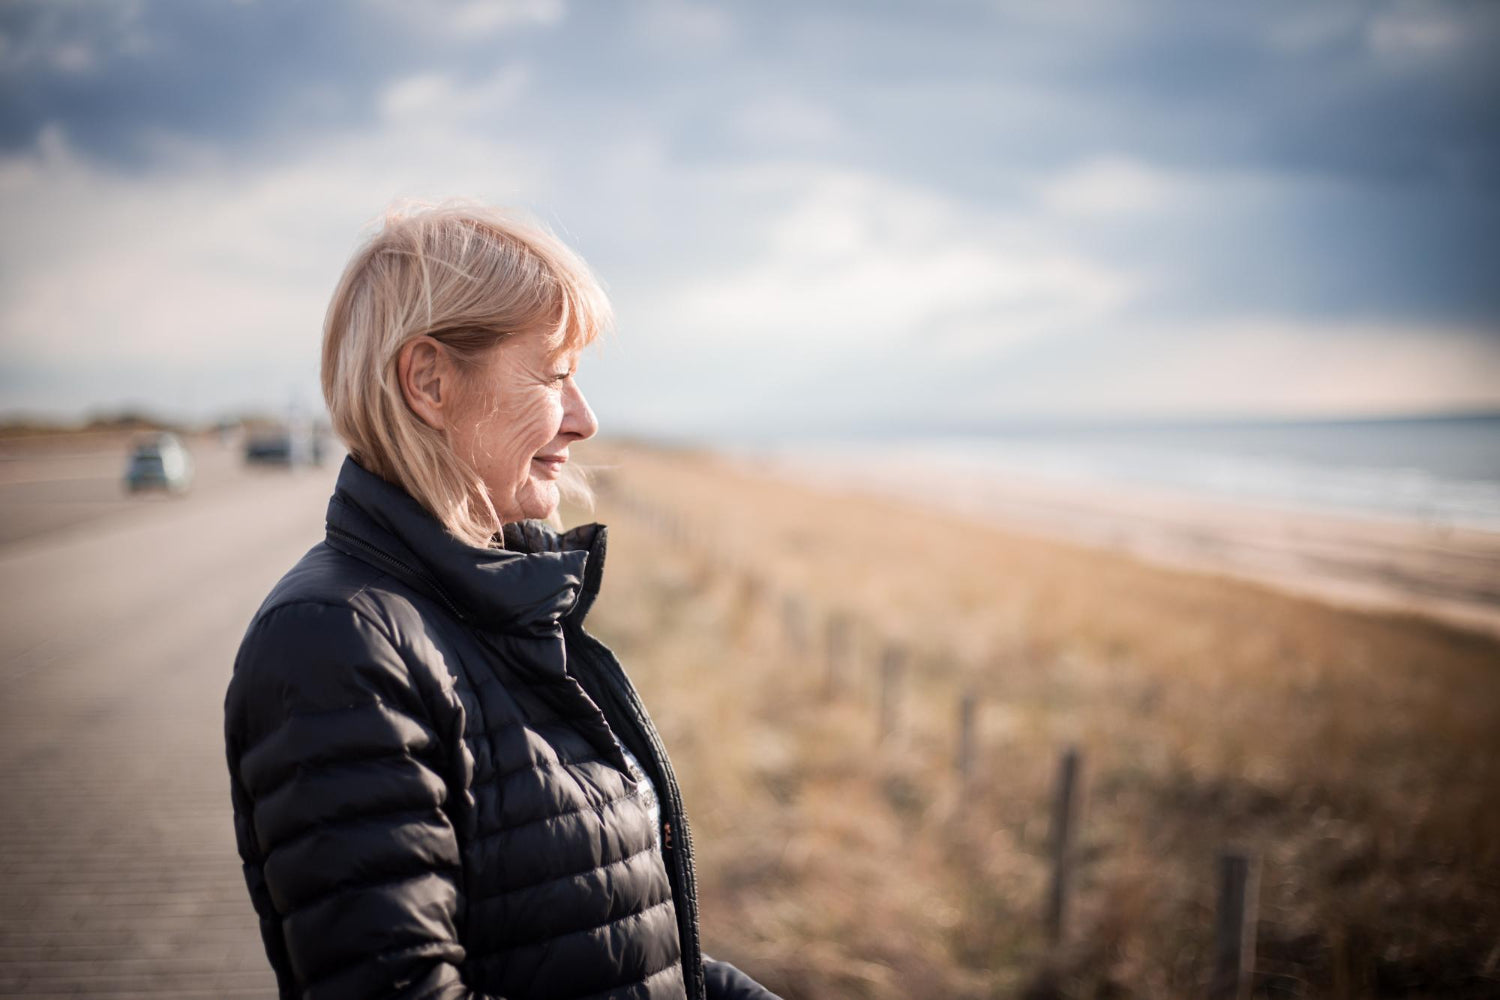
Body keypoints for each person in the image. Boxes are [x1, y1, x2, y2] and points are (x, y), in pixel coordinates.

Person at [224, 203, 780, 1000]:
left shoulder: (503, 609)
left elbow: (638, 959)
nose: (584, 420)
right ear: (429, 381)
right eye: (555, 376)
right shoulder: (333, 645)